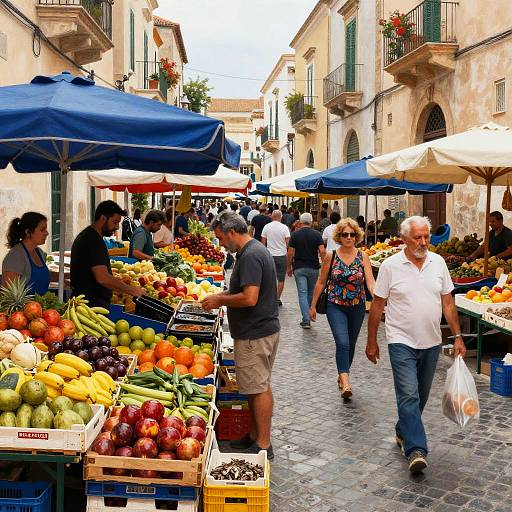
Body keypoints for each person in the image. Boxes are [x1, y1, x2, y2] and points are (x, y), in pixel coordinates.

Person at [366, 216, 466, 474]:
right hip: (400, 340)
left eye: (426, 237)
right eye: (417, 238)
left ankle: (403, 429)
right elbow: (378, 304)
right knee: (408, 394)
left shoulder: (438, 262)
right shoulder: (390, 266)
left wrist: (457, 336)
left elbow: (448, 303)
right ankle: (416, 450)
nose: (423, 242)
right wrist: (371, 341)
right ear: (404, 239)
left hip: (431, 341)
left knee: (419, 396)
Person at [201, 211, 279, 459]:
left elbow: (249, 297)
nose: (221, 243)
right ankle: (254, 435)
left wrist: (219, 299)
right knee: (255, 387)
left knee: (259, 388)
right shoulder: (252, 251)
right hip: (257, 330)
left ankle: (264, 445)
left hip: (255, 333)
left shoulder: (251, 255)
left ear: (232, 232)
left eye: (221, 238)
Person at [310, 218, 375, 398]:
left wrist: (377, 296)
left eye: (352, 234)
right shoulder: (331, 256)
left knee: (351, 344)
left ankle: (342, 374)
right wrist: (312, 306)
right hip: (335, 305)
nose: (348, 237)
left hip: (357, 306)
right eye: (345, 234)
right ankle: (346, 382)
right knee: (343, 342)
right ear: (339, 236)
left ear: (356, 236)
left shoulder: (363, 256)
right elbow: (321, 281)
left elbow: (370, 281)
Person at [71, 201, 144, 308]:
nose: (117, 227)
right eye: (115, 222)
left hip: (90, 304)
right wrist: (133, 290)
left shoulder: (90, 236)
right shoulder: (92, 240)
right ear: (103, 218)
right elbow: (103, 278)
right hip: (89, 307)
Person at [287, 213, 326, 328]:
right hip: (313, 267)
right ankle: (308, 315)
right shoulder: (317, 234)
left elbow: (290, 253)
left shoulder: (295, 235)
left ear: (300, 221)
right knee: (311, 292)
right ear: (311, 221)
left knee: (302, 293)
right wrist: (324, 265)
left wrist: (288, 267)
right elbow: (322, 251)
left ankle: (306, 320)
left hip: (299, 267)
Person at [2, 212, 52, 294]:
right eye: (42, 229)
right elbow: (8, 293)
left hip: (43, 305)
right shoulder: (15, 257)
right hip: (25, 306)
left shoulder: (39, 252)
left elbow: (42, 275)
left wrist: (65, 276)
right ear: (28, 232)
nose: (47, 233)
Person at [261, 210, 291, 306]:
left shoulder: (266, 227)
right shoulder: (285, 228)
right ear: (281, 217)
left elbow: (263, 243)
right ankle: (277, 298)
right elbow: (288, 244)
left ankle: (270, 297)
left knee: (270, 278)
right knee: (281, 279)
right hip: (281, 255)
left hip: (269, 255)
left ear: (272, 217)